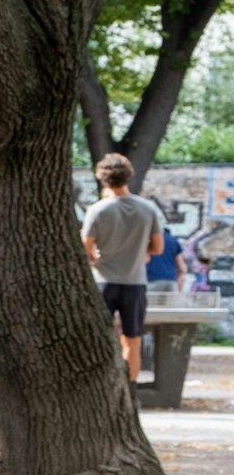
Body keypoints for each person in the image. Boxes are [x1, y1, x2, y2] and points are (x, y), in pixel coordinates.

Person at [81, 153, 164, 383]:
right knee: (132, 340)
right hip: (135, 283)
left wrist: (95, 258)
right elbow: (158, 248)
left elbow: (85, 249)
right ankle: (130, 389)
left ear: (102, 179)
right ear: (128, 176)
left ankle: (101, 385)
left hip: (103, 282)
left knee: (99, 338)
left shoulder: (97, 210)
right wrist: (142, 252)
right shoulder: (147, 209)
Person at [144, 227, 191, 294]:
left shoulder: (149, 240)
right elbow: (181, 268)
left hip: (153, 280)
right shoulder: (174, 241)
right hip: (171, 281)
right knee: (171, 301)